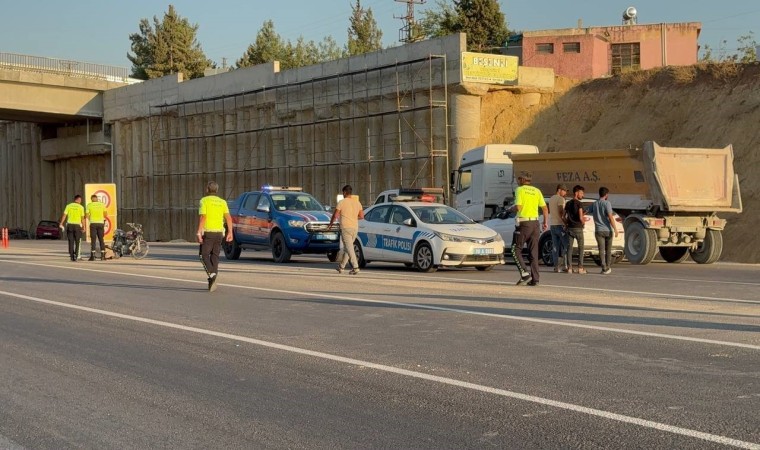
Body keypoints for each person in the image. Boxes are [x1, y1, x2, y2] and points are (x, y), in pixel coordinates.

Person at [509, 172, 548, 286]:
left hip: (524, 223)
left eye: (518, 179)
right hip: (535, 223)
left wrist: (510, 209)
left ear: (522, 180)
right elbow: (545, 208)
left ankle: (525, 274)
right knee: (533, 252)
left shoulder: (519, 190)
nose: (517, 181)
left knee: (515, 249)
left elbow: (519, 206)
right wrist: (545, 222)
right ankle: (535, 279)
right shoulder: (537, 191)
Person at [197, 181, 234, 292]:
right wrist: (230, 232)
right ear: (216, 190)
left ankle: (212, 275)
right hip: (219, 233)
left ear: (207, 190)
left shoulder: (204, 200)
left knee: (203, 255)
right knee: (215, 255)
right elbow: (228, 218)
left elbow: (203, 217)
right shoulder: (222, 202)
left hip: (208, 232)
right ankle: (212, 280)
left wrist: (199, 232)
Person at [328, 184, 365, 275]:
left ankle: (355, 267)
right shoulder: (357, 203)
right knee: (348, 248)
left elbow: (335, 215)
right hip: (354, 228)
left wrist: (331, 224)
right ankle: (342, 267)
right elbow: (361, 216)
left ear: (344, 192)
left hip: (345, 228)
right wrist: (352, 217)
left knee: (349, 248)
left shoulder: (342, 202)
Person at [586, 186, 619, 275]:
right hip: (607, 230)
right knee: (608, 250)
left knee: (601, 250)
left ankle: (603, 267)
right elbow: (610, 216)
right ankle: (608, 267)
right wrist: (615, 229)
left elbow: (585, 211)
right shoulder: (607, 203)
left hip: (598, 230)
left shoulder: (595, 204)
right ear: (606, 195)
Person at [563, 185, 587, 274]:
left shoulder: (568, 203)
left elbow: (563, 216)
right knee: (581, 248)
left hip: (570, 228)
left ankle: (569, 268)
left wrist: (566, 223)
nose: (582, 195)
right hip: (578, 228)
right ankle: (580, 268)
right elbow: (581, 217)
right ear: (576, 193)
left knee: (570, 248)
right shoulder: (579, 204)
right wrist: (583, 223)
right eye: (581, 193)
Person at [548, 184, 568, 273]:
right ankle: (566, 265)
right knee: (566, 245)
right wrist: (565, 223)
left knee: (555, 246)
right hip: (560, 225)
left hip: (552, 225)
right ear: (559, 190)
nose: (565, 193)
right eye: (564, 191)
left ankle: (556, 266)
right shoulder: (560, 199)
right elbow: (561, 212)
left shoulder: (551, 198)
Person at [59, 194, 85, 262]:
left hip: (70, 225)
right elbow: (82, 218)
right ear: (78, 200)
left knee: (71, 241)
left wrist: (61, 223)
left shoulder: (68, 206)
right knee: (77, 241)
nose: (81, 201)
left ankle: (72, 256)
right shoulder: (81, 207)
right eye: (80, 200)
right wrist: (84, 227)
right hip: (77, 226)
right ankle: (76, 255)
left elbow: (64, 215)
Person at [85, 194, 108, 261]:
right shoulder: (102, 205)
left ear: (92, 199)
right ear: (97, 199)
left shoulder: (89, 205)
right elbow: (105, 214)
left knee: (93, 240)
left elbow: (86, 215)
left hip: (93, 224)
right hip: (100, 223)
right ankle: (103, 256)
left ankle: (93, 256)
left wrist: (91, 219)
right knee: (101, 239)